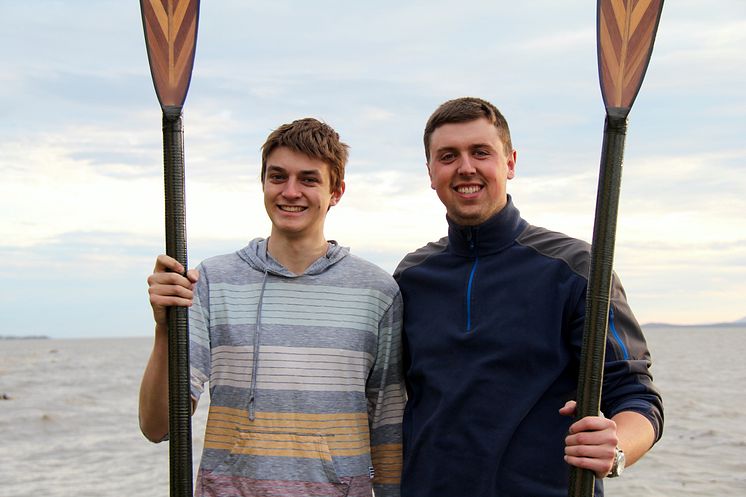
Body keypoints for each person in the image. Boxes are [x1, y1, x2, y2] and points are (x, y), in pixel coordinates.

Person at [393, 97, 663, 497]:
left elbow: (638, 398)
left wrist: (616, 448)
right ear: (431, 173)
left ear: (510, 162)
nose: (465, 167)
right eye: (448, 156)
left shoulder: (577, 268)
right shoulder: (411, 277)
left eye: (481, 152)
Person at [139, 118, 405, 497]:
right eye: (277, 177)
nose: (290, 191)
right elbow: (158, 426)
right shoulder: (212, 281)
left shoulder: (377, 292)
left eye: (309, 179)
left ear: (336, 191)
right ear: (263, 183)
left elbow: (387, 427)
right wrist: (164, 329)